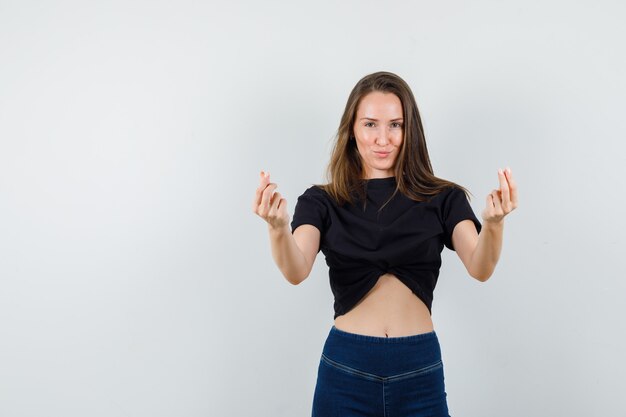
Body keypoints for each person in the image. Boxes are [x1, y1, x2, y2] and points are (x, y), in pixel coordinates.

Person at [252, 71, 518, 417]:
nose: (383, 139)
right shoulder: (322, 201)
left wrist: (494, 225)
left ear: (411, 131)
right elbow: (296, 269)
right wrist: (277, 228)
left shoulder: (443, 198)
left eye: (395, 125)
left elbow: (480, 268)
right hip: (346, 366)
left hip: (418, 367)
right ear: (352, 130)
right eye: (370, 125)